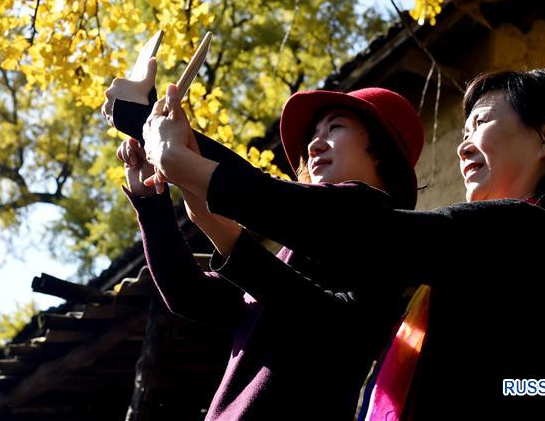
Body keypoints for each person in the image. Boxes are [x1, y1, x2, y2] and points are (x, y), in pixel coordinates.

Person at [143, 69, 545, 420]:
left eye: (484, 122)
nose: (463, 144)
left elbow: (366, 236)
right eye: (462, 130)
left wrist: (186, 160)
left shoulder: (531, 233)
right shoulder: (500, 245)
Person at [108, 65, 425, 419]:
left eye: (335, 127)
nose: (315, 144)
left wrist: (140, 119)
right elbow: (187, 292)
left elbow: (331, 325)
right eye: (313, 135)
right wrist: (151, 202)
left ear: (380, 152)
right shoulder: (292, 253)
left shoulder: (375, 224)